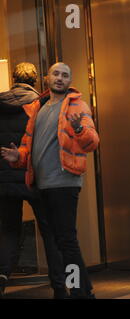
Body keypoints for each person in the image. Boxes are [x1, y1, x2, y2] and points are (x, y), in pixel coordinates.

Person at [1, 62, 99, 299]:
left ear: (69, 80)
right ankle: (82, 291)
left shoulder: (77, 105)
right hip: (41, 185)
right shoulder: (39, 107)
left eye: (65, 75)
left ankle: (79, 292)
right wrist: (18, 157)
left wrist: (79, 129)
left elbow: (92, 142)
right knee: (62, 240)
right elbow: (29, 146)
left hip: (64, 183)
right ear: (46, 78)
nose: (60, 78)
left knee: (66, 241)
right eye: (56, 74)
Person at [0, 62, 66, 299]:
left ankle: (2, 276)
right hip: (34, 178)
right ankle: (59, 285)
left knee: (8, 231)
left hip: (5, 180)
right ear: (36, 80)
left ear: (14, 78)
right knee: (49, 231)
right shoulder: (40, 104)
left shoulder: (1, 104)